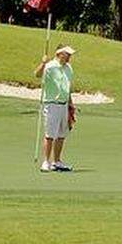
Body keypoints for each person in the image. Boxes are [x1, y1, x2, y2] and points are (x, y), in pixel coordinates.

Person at [33, 44, 76, 172]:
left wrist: (71, 104)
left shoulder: (69, 68)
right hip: (51, 104)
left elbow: (67, 88)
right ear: (59, 54)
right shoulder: (50, 66)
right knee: (50, 135)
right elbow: (37, 74)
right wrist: (42, 63)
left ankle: (56, 161)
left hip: (64, 105)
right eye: (67, 54)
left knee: (61, 134)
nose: (69, 57)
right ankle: (46, 162)